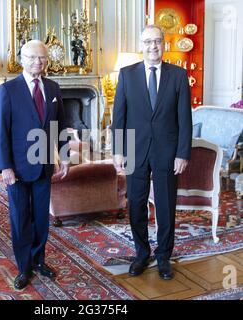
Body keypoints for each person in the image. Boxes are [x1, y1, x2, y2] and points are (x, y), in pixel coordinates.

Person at [111, 25, 192, 280]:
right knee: (136, 203)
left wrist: (183, 153)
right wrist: (117, 151)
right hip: (134, 149)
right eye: (148, 42)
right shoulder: (126, 74)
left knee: (166, 206)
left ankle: (164, 256)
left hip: (168, 152)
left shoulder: (178, 75)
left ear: (164, 44)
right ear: (141, 45)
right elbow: (119, 116)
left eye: (157, 41)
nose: (153, 46)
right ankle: (141, 253)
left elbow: (184, 119)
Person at [0, 40, 69, 290]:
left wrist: (65, 155)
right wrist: (5, 166)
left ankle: (39, 260)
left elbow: (60, 125)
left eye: (43, 58)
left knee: (40, 218)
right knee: (20, 218)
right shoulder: (8, 90)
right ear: (22, 59)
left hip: (44, 165)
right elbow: (2, 131)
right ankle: (24, 267)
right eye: (33, 58)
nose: (39, 62)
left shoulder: (54, 88)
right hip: (16, 168)